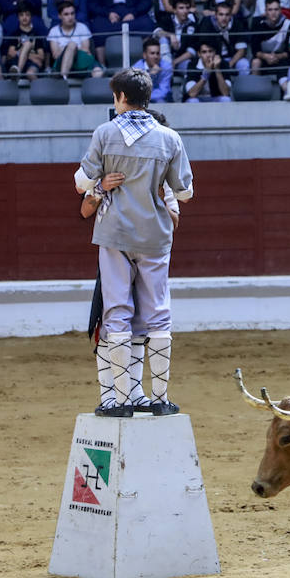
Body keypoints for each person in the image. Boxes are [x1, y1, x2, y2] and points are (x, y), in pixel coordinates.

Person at [74, 68, 193, 417]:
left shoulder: (105, 133)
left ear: (119, 97)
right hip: (155, 234)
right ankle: (159, 399)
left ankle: (122, 399)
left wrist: (101, 184)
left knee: (117, 313)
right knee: (158, 315)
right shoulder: (170, 138)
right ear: (147, 97)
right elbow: (184, 192)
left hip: (114, 233)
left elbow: (82, 183)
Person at [47, 1, 101, 79]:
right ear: (59, 16)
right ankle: (64, 77)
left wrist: (67, 49)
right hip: (61, 63)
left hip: (81, 60)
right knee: (72, 44)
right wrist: (71, 48)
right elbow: (55, 55)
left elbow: (86, 50)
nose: (70, 17)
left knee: (98, 72)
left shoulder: (82, 27)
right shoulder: (54, 31)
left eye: (72, 13)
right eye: (66, 14)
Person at [197, 0, 250, 75]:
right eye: (221, 14)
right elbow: (204, 47)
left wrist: (229, 64)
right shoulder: (207, 23)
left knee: (244, 64)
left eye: (227, 15)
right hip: (212, 57)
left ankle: (244, 86)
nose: (224, 18)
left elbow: (241, 50)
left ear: (231, 16)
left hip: (231, 57)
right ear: (215, 15)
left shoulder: (237, 23)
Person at [1, 3, 48, 80]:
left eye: (27, 15)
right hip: (16, 63)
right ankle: (17, 71)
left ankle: (40, 91)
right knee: (27, 45)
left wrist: (24, 55)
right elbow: (11, 53)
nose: (24, 17)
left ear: (31, 16)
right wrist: (31, 56)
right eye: (21, 15)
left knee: (31, 73)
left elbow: (41, 56)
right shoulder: (14, 34)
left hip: (32, 64)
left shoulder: (36, 34)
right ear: (18, 17)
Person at [249, 0, 290, 78]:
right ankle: (255, 89)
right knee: (255, 62)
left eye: (276, 9)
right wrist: (266, 56)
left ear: (280, 10)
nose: (273, 13)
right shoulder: (257, 23)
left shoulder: (288, 24)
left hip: (281, 58)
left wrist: (277, 56)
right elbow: (255, 50)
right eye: (270, 10)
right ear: (265, 11)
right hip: (263, 58)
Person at [132, 36, 172, 103]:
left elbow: (164, 92)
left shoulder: (166, 67)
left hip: (161, 100)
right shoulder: (136, 69)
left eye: (158, 53)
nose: (156, 56)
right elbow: (138, 92)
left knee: (160, 101)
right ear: (144, 55)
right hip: (141, 101)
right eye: (152, 53)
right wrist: (150, 76)